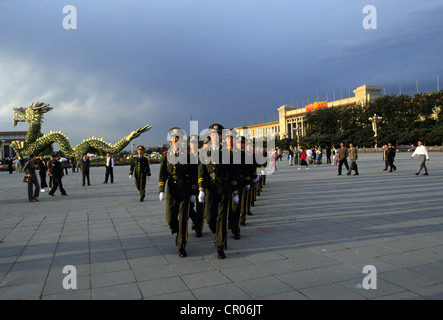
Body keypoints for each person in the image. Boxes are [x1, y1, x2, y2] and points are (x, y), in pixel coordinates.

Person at [198, 123, 239, 259]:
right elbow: (201, 172)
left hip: (223, 187)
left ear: (221, 136)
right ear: (211, 136)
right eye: (214, 134)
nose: (216, 137)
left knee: (222, 218)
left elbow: (232, 173)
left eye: (219, 134)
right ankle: (218, 235)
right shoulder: (205, 152)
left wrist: (234, 191)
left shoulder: (227, 153)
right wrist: (201, 189)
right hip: (209, 188)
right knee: (209, 217)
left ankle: (220, 246)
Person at [158, 129, 190, 257]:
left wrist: (194, 192)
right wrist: (161, 189)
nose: (175, 140)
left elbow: (192, 174)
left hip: (184, 189)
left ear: (181, 140)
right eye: (173, 138)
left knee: (183, 220)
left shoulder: (187, 155)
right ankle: (176, 231)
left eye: (178, 138)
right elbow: (163, 173)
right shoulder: (166, 155)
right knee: (170, 219)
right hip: (171, 189)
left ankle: (181, 246)